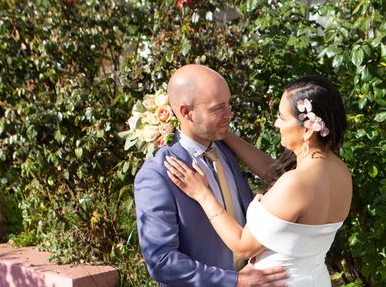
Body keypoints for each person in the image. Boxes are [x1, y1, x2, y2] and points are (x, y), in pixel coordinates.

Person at [165, 75, 353, 287]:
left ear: (308, 129)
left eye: (282, 117)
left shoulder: (295, 183)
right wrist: (223, 133)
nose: (276, 123)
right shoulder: (338, 171)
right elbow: (273, 172)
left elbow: (242, 246)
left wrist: (203, 194)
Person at [134, 64, 289, 287]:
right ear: (186, 112)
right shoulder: (157, 174)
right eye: (218, 108)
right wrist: (235, 281)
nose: (230, 114)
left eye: (229, 104)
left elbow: (275, 173)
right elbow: (161, 261)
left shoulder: (225, 150)